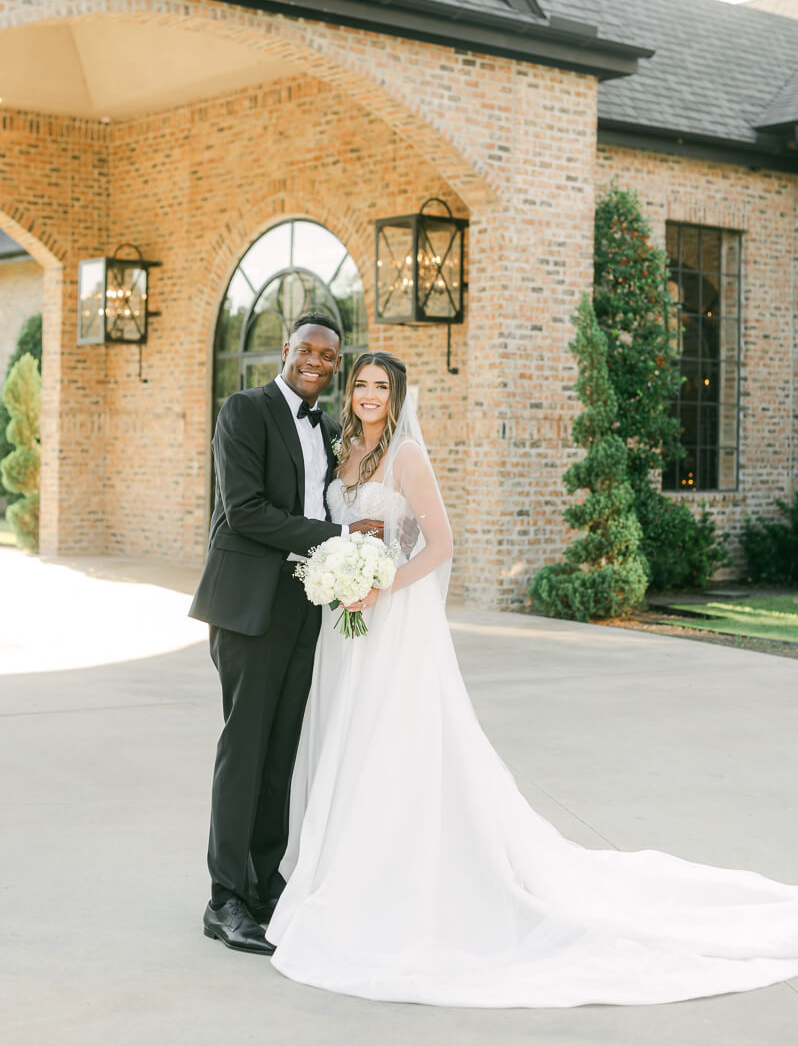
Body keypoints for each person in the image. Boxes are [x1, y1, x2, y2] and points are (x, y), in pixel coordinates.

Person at [266, 350, 798, 1007]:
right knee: (350, 739)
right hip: (348, 627)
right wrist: (345, 574)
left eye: (381, 386)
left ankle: (395, 876)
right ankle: (340, 870)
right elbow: (345, 526)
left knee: (393, 741)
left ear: (397, 397)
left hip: (393, 621)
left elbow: (441, 543)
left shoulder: (406, 456)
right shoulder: (346, 449)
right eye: (362, 385)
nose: (369, 395)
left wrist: (380, 585)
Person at [189, 314, 382, 954]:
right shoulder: (242, 411)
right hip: (247, 605)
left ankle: (265, 880)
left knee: (280, 750)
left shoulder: (328, 430)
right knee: (244, 747)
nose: (317, 363)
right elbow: (244, 512)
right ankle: (224, 900)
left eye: (329, 357)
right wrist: (338, 538)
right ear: (286, 351)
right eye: (307, 351)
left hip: (304, 604)